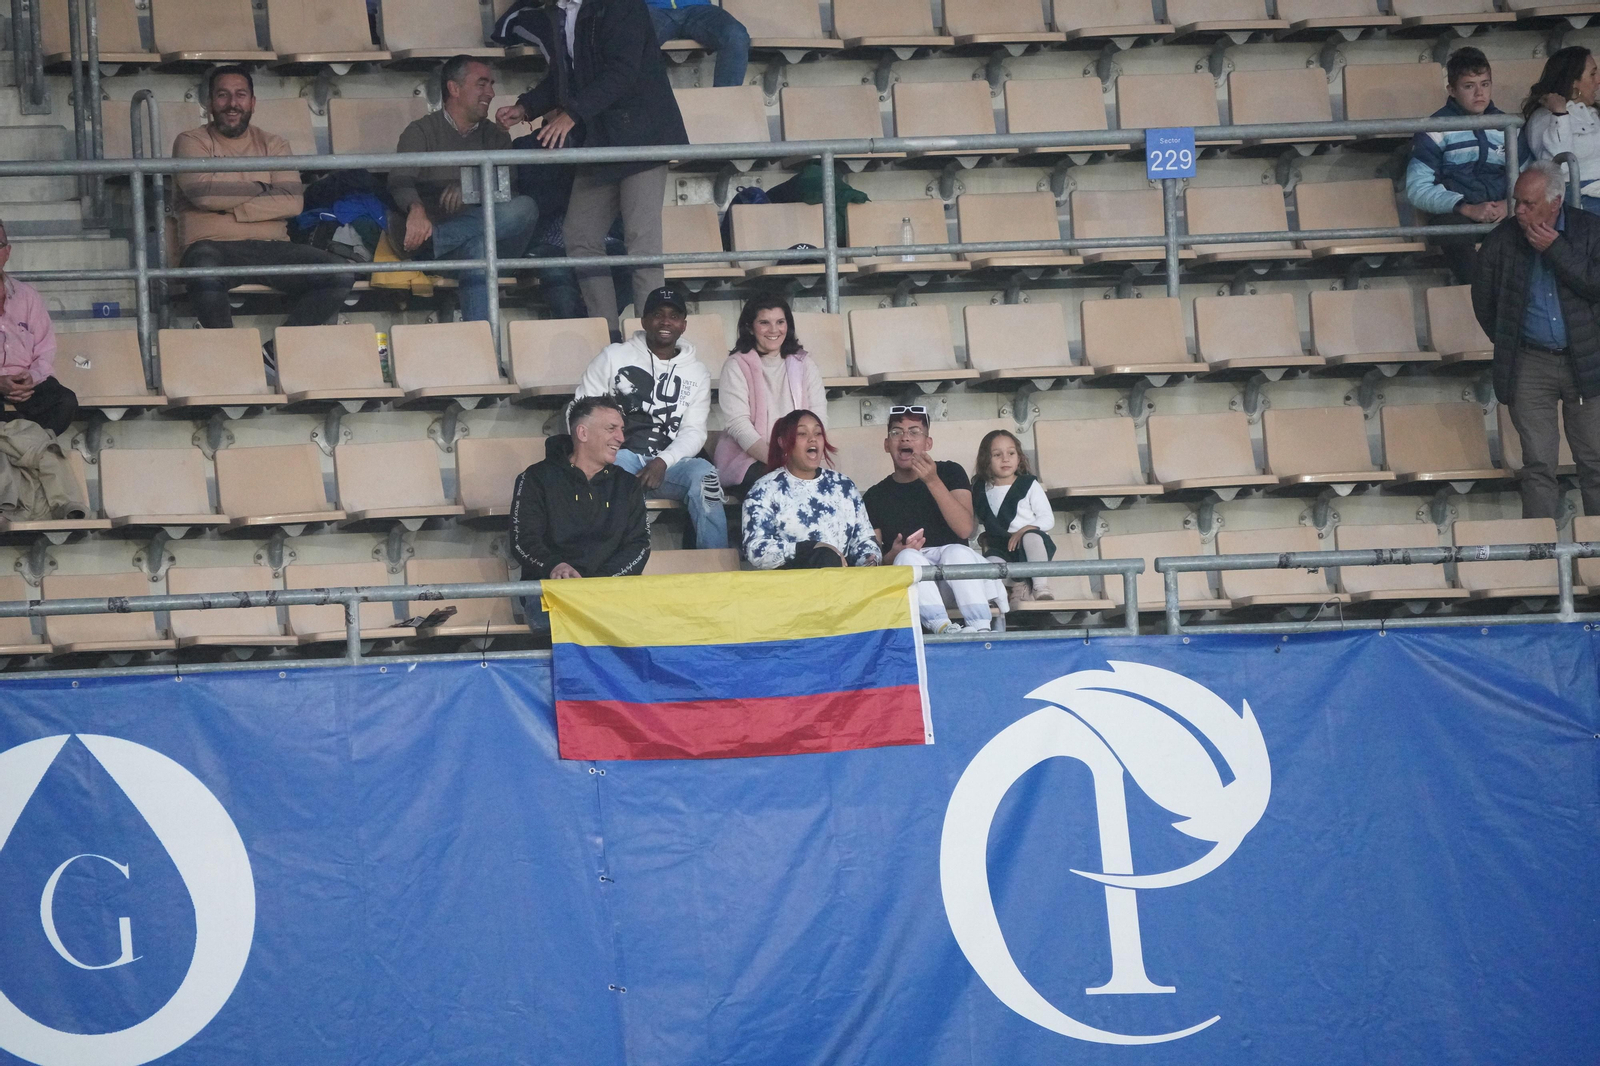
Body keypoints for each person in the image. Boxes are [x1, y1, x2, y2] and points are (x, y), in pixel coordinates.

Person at [495, 0, 689, 338]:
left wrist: (572, 115)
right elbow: (563, 76)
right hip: (599, 139)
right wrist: (526, 106)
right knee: (580, 235)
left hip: (642, 136)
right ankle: (607, 333)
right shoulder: (557, 12)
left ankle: (653, 341)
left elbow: (623, 72)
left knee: (641, 241)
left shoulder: (620, 7)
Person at [173, 66, 354, 359]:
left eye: (240, 95)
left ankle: (275, 356)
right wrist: (261, 186)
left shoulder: (274, 144)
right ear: (208, 103)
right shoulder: (191, 141)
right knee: (202, 267)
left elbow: (293, 203)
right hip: (211, 247)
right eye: (223, 95)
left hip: (272, 247)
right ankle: (232, 360)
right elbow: (204, 195)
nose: (233, 103)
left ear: (253, 103)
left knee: (338, 273)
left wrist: (231, 208)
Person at [1471, 160, 1600, 519]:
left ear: (1555, 202)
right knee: (1538, 464)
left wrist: (1555, 250)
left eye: (1529, 203)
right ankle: (1541, 560)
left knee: (1595, 461)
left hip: (1586, 360)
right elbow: (1484, 302)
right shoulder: (1502, 240)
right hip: (1530, 362)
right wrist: (1509, 342)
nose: (1520, 211)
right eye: (1517, 202)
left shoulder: (1591, 231)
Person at [389, 55, 540, 324]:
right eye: (481, 84)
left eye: (491, 85)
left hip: (490, 243)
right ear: (454, 89)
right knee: (480, 249)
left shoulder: (495, 136)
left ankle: (440, 237)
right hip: (448, 253)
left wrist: (471, 187)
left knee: (525, 207)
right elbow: (400, 179)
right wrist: (416, 208)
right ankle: (487, 354)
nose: (491, 92)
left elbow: (509, 190)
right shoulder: (421, 131)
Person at [575, 286, 728, 549]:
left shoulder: (697, 372)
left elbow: (694, 431)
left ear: (683, 325)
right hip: (618, 456)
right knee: (610, 477)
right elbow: (580, 410)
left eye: (674, 316)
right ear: (644, 321)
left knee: (706, 476)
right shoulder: (613, 357)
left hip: (670, 464)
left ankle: (716, 570)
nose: (666, 321)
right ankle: (613, 565)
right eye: (658, 314)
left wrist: (663, 462)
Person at [863, 406, 1005, 635]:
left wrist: (932, 481)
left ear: (928, 443)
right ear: (887, 444)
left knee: (955, 552)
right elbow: (874, 562)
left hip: (955, 583)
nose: (905, 437)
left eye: (914, 432)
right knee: (907, 556)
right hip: (912, 585)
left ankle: (981, 628)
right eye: (897, 432)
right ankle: (943, 628)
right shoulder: (874, 495)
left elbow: (964, 529)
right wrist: (894, 554)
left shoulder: (950, 472)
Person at [509, 395, 650, 587]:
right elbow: (523, 540)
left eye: (622, 430)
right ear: (583, 433)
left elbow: (639, 545)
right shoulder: (535, 478)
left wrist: (603, 582)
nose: (621, 438)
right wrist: (554, 566)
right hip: (551, 591)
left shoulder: (628, 485)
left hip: (610, 592)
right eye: (611, 429)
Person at [1405, 47, 1511, 285]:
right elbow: (1417, 188)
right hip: (1457, 215)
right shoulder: (1435, 129)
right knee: (1451, 229)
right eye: (1468, 86)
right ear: (1451, 90)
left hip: (1504, 211)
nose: (1479, 93)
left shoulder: (1508, 126)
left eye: (1485, 84)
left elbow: (1527, 176)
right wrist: (1465, 208)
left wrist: (1509, 204)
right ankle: (1480, 298)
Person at [715, 296, 827, 497]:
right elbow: (739, 425)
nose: (774, 330)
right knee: (776, 485)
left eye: (780, 322)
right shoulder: (735, 365)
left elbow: (819, 416)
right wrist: (781, 460)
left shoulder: (804, 362)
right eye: (764, 323)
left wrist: (800, 456)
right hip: (750, 460)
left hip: (800, 456)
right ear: (750, 327)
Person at [742, 410, 879, 570]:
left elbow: (864, 539)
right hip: (791, 585)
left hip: (843, 583)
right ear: (783, 442)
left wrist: (870, 560)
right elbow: (756, 549)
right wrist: (809, 548)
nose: (812, 438)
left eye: (818, 433)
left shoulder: (844, 486)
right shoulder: (764, 489)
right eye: (802, 433)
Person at [0, 220, 76, 435]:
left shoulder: (27, 296)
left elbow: (45, 349)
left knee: (64, 401)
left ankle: (27, 450)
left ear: (7, 251)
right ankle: (26, 449)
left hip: (25, 384)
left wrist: (31, 378)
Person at [972, 429, 1055, 607]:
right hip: (1000, 547)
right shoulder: (979, 488)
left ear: (1019, 457)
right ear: (986, 459)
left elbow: (1048, 519)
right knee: (989, 565)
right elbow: (975, 521)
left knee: (1032, 538)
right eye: (997, 454)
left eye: (1011, 453)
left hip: (1029, 546)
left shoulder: (1028, 484)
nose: (1005, 459)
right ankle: (1008, 590)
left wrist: (1024, 530)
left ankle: (1040, 586)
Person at [1526, 46, 1600, 214]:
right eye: (1592, 74)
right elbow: (1558, 166)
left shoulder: (1592, 113)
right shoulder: (1544, 117)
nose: (1598, 81)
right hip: (1578, 197)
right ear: (1574, 81)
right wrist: (1560, 115)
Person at [643, 0, 750, 89]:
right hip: (651, 8)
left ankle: (725, 106)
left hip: (699, 7)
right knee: (636, 40)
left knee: (736, 35)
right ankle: (636, 109)